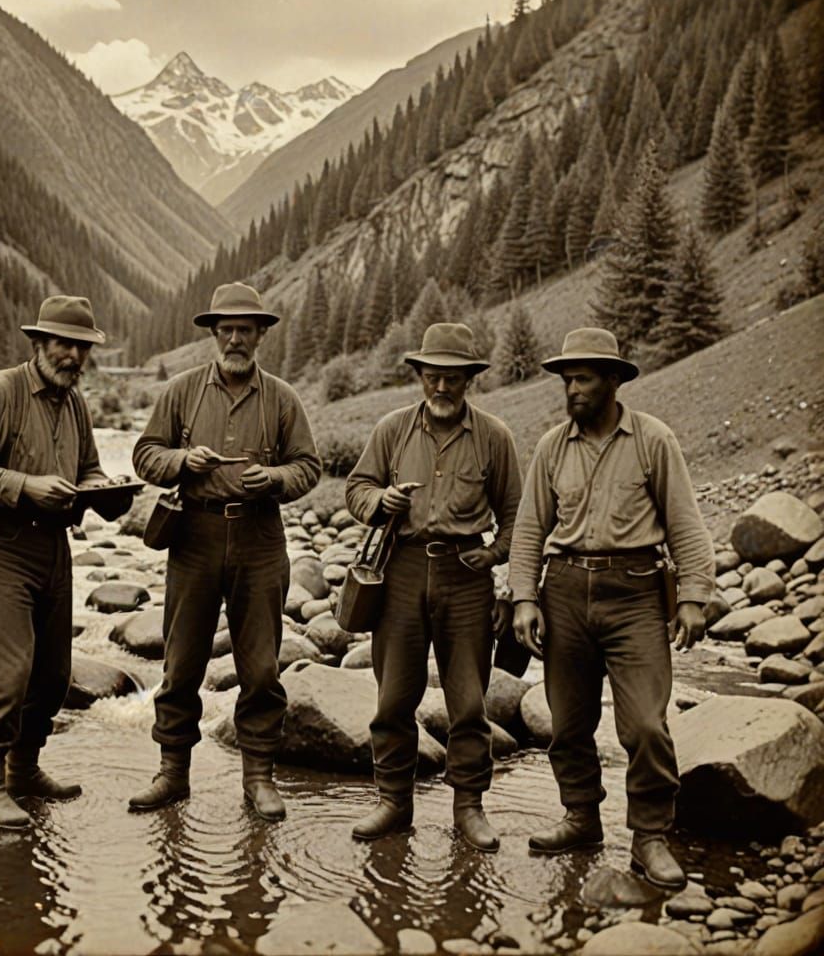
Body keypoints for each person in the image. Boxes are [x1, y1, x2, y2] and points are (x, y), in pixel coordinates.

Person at [508, 327, 714, 889]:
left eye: (584, 378)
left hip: (637, 593)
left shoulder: (653, 440)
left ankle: (650, 837)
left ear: (614, 380)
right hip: (566, 591)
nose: (572, 389)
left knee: (646, 724)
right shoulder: (552, 447)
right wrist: (525, 598)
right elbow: (529, 531)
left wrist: (694, 598)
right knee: (568, 722)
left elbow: (685, 523)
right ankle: (581, 817)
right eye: (567, 379)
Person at [0, 295, 132, 830]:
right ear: (38, 344)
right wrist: (26, 486)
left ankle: (23, 769)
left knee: (51, 674)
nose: (72, 356)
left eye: (81, 347)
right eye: (63, 344)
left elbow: (89, 467)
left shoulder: (75, 404)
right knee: (8, 670)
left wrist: (105, 489)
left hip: (53, 548)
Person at [130, 282, 321, 821]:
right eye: (227, 330)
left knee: (261, 667)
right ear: (214, 334)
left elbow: (309, 467)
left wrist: (275, 479)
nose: (236, 339)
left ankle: (258, 778)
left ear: (260, 335)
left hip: (260, 540)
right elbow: (145, 455)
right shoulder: (182, 391)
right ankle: (172, 773)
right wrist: (182, 462)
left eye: (245, 330)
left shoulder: (283, 398)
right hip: (193, 538)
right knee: (182, 660)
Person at [345, 323, 522, 849]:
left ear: (469, 379)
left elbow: (519, 517)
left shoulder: (495, 436)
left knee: (469, 702)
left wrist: (493, 555)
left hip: (466, 579)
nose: (441, 388)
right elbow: (356, 489)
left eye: (453, 378)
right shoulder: (392, 429)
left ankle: (468, 808)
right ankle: (393, 804)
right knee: (394, 697)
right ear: (420, 376)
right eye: (432, 377)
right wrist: (382, 504)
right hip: (399, 571)